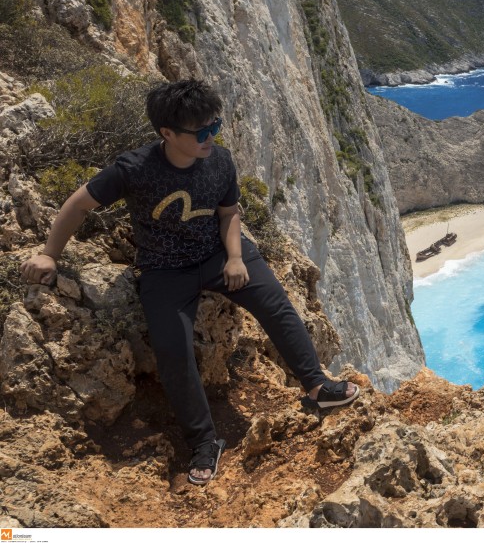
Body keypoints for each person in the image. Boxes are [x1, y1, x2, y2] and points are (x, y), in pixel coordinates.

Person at [20, 79, 360, 485]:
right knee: (172, 350)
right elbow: (78, 205)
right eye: (201, 132)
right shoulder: (135, 168)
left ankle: (318, 386)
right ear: (167, 133)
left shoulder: (220, 161)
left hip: (219, 254)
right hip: (164, 270)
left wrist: (235, 257)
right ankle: (204, 441)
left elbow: (229, 212)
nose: (211, 137)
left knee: (276, 304)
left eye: (215, 126)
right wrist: (49, 254)